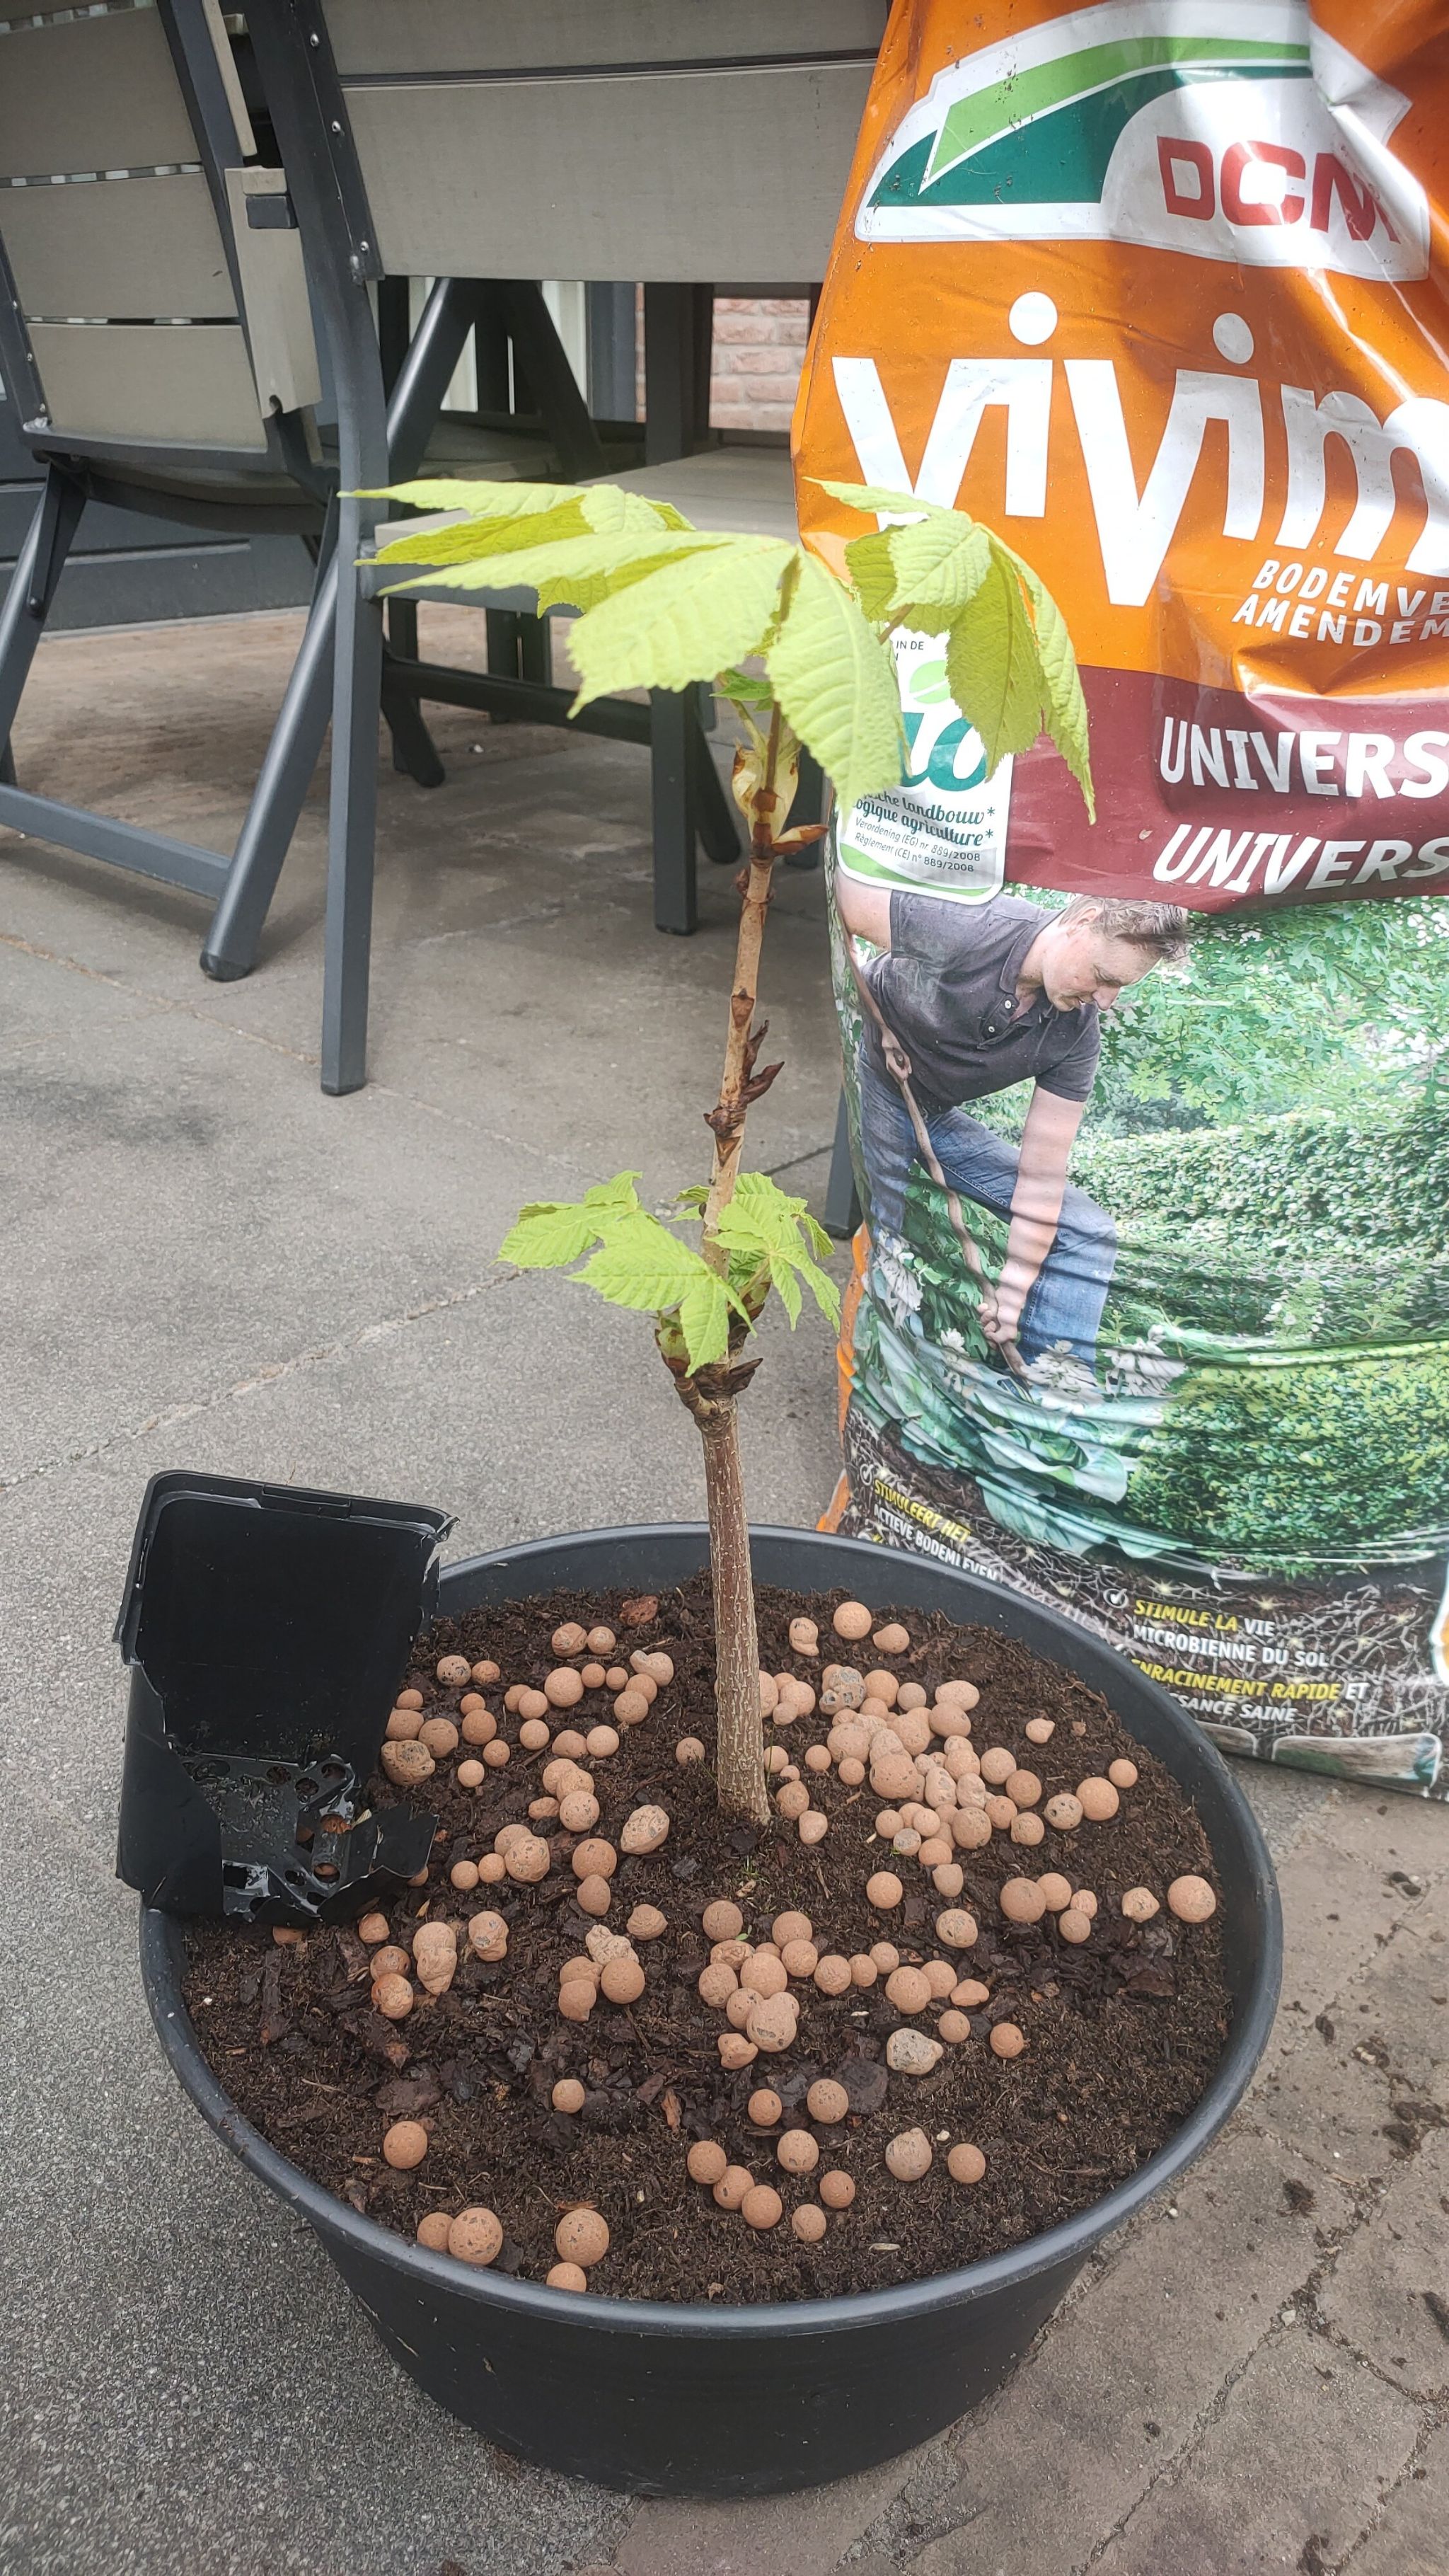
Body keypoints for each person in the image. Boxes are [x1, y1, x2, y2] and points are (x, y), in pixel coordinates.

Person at [836, 880, 1188, 1381]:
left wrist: (1012, 1291)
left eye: (1120, 988)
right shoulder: (969, 923)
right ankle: (875, 1383)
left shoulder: (1075, 1033)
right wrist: (862, 1011)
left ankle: (1052, 1392)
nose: (1106, 1001)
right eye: (1104, 976)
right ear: (1082, 921)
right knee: (889, 1243)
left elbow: (1042, 1176)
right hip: (874, 1072)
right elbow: (844, 901)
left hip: (932, 1113)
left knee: (1087, 1230)